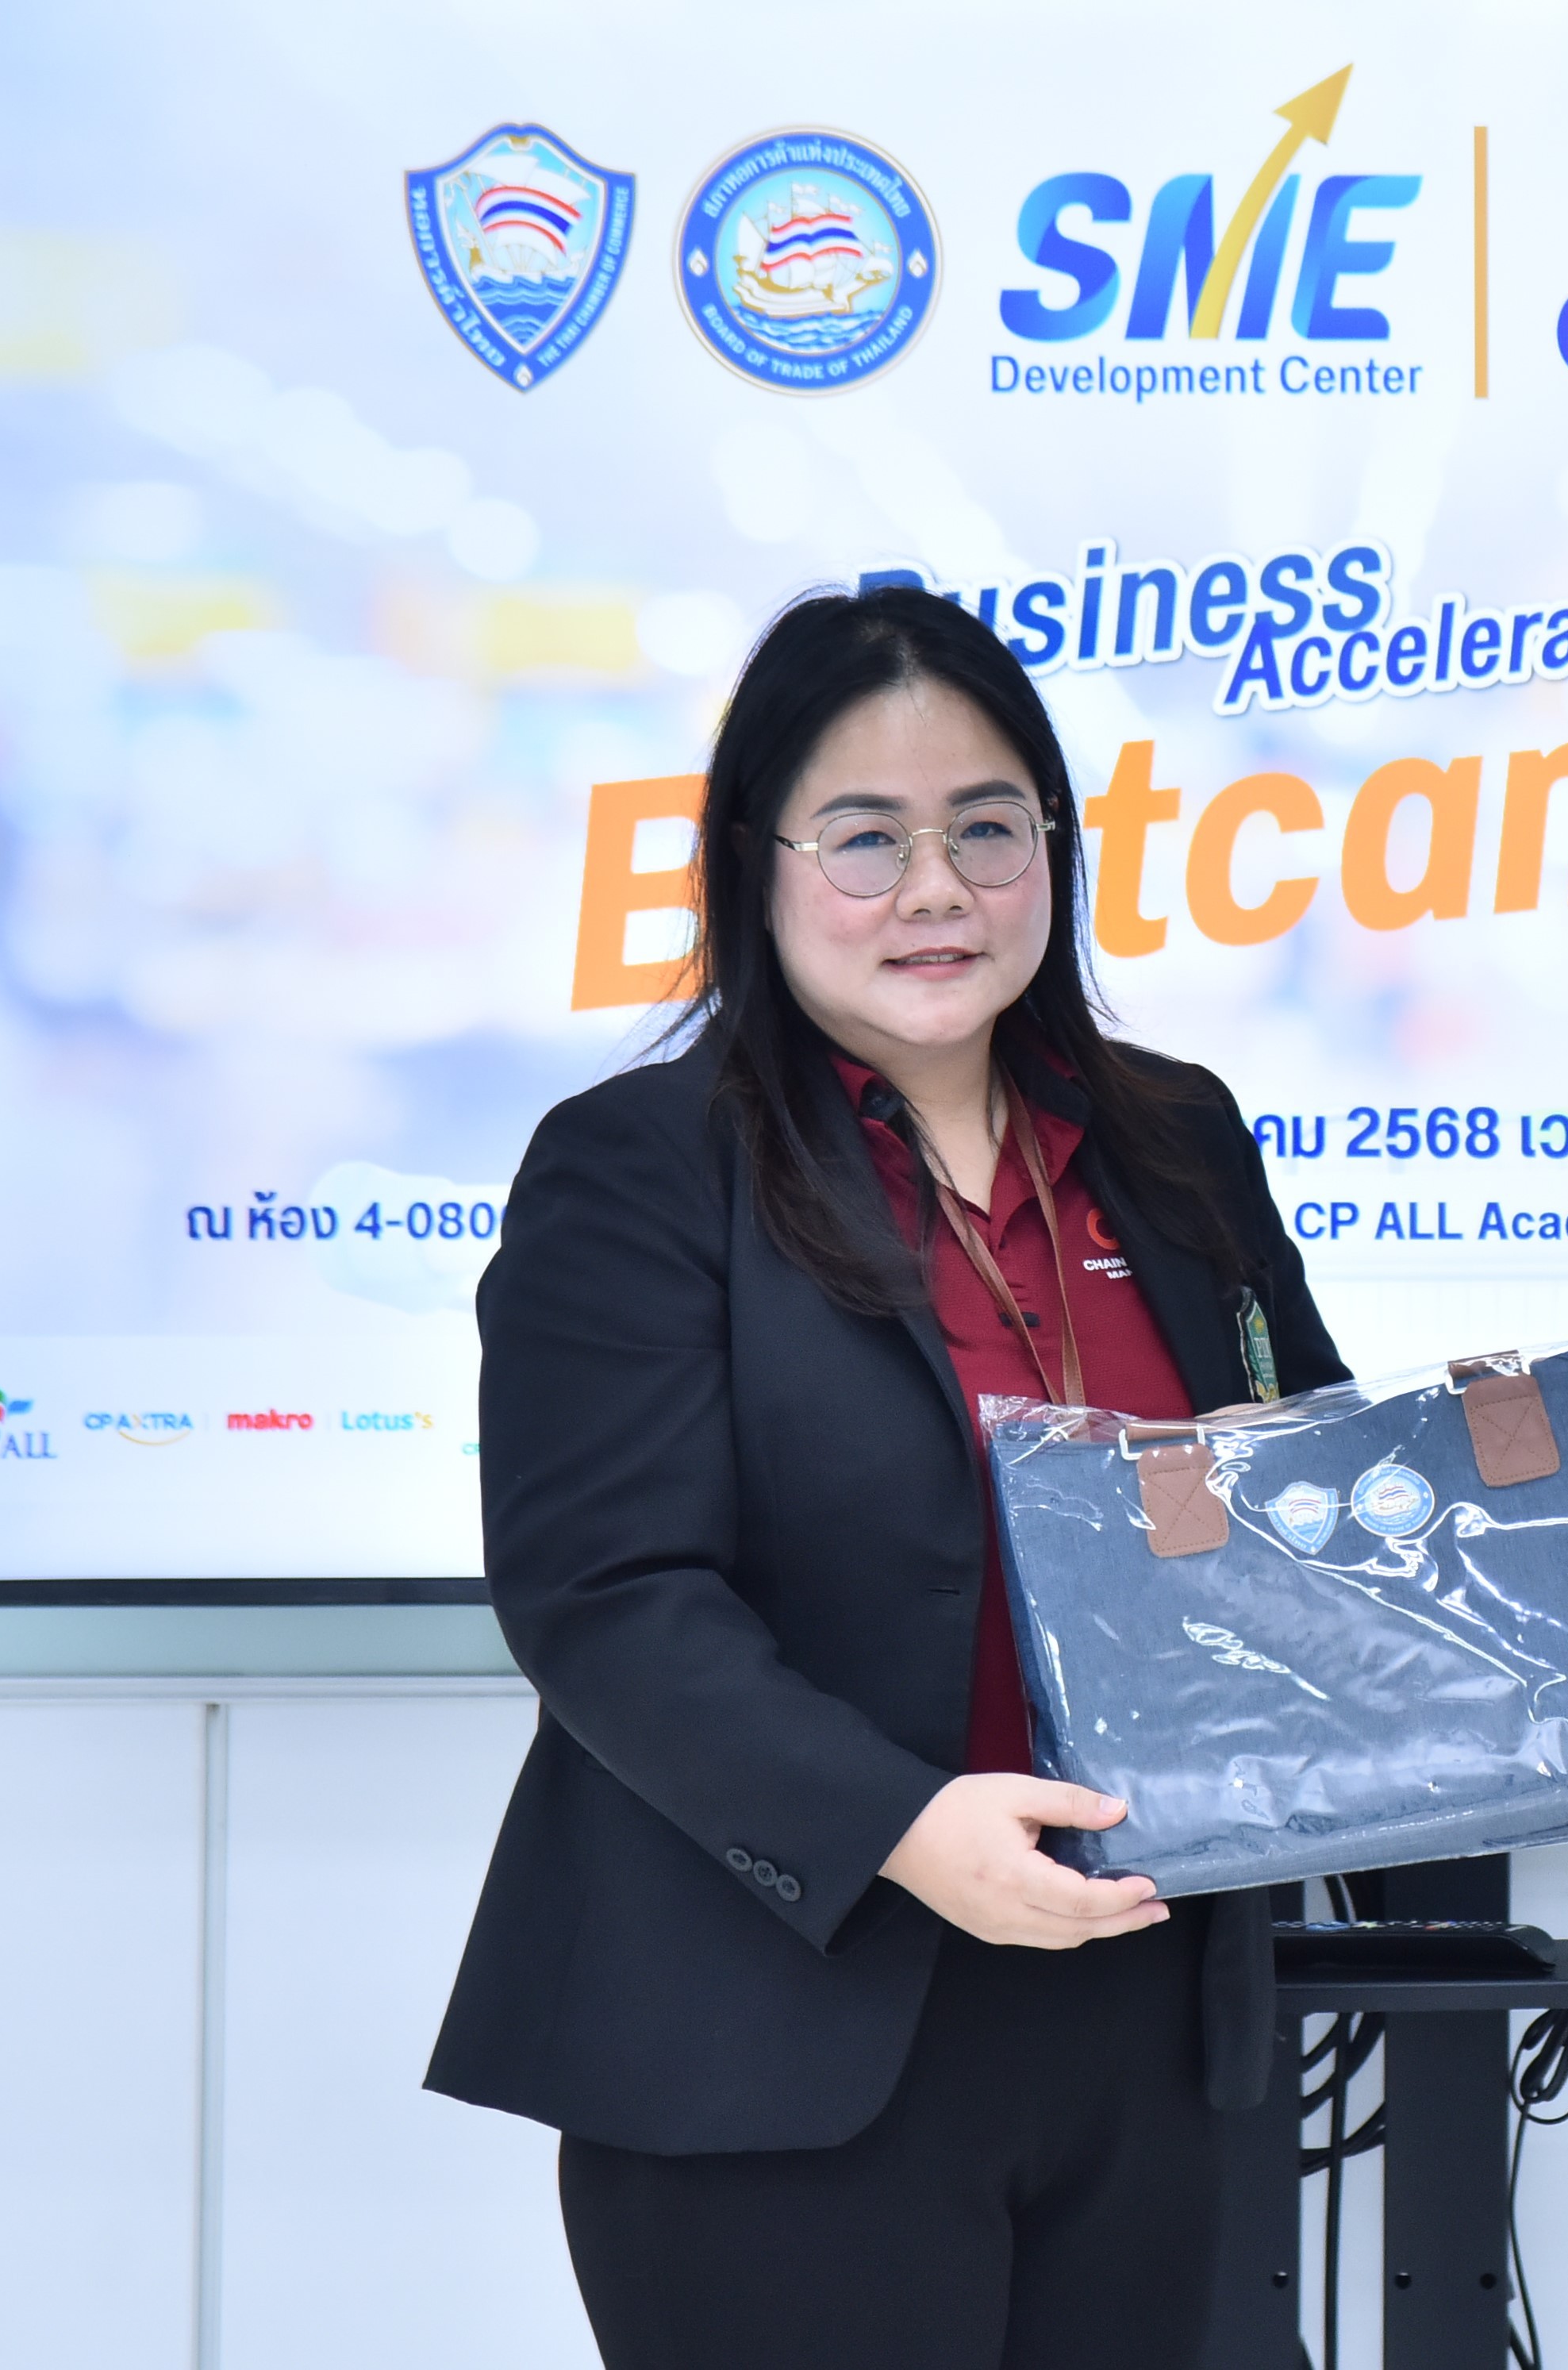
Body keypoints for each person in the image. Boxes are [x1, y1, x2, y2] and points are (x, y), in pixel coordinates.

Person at [425, 586, 1344, 2368]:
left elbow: (1299, 1474)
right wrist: (909, 1829)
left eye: (987, 829)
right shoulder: (641, 1166)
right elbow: (606, 1600)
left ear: (1054, 849)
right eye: (865, 838)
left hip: (1146, 2003)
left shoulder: (1174, 1138)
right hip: (784, 2019)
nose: (937, 890)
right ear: (753, 866)